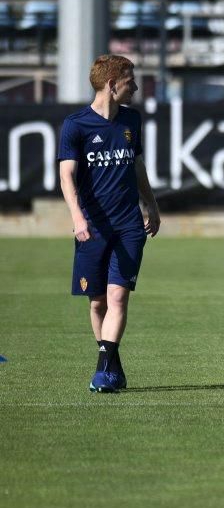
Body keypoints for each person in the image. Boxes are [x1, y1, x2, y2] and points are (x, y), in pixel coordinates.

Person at [58, 54, 161, 393]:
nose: (135, 87)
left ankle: (103, 369)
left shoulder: (132, 120)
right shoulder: (76, 125)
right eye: (130, 80)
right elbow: (67, 176)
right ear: (111, 84)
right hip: (93, 228)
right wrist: (77, 217)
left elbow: (137, 166)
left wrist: (151, 204)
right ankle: (112, 364)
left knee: (118, 298)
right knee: (98, 302)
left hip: (129, 226)